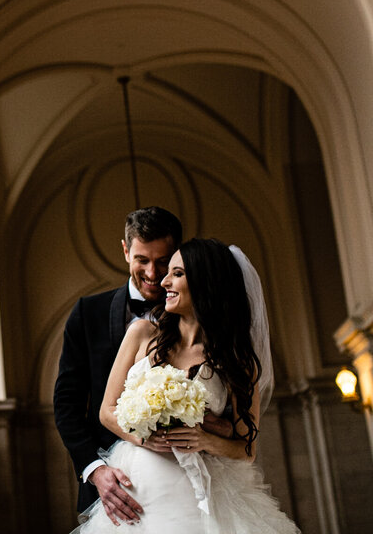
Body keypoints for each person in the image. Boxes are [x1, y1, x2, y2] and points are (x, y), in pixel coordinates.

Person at [75, 238, 299, 533]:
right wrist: (145, 438)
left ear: (207, 282)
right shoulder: (142, 334)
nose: (164, 280)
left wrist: (205, 440)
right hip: (140, 496)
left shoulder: (236, 361)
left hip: (201, 500)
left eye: (177, 273)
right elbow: (106, 411)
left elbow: (247, 449)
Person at [54, 207, 183, 523]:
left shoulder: (195, 316)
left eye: (163, 260)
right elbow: (67, 404)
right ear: (126, 251)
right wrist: (95, 470)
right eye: (142, 260)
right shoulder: (88, 313)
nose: (153, 273)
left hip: (183, 484)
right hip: (110, 491)